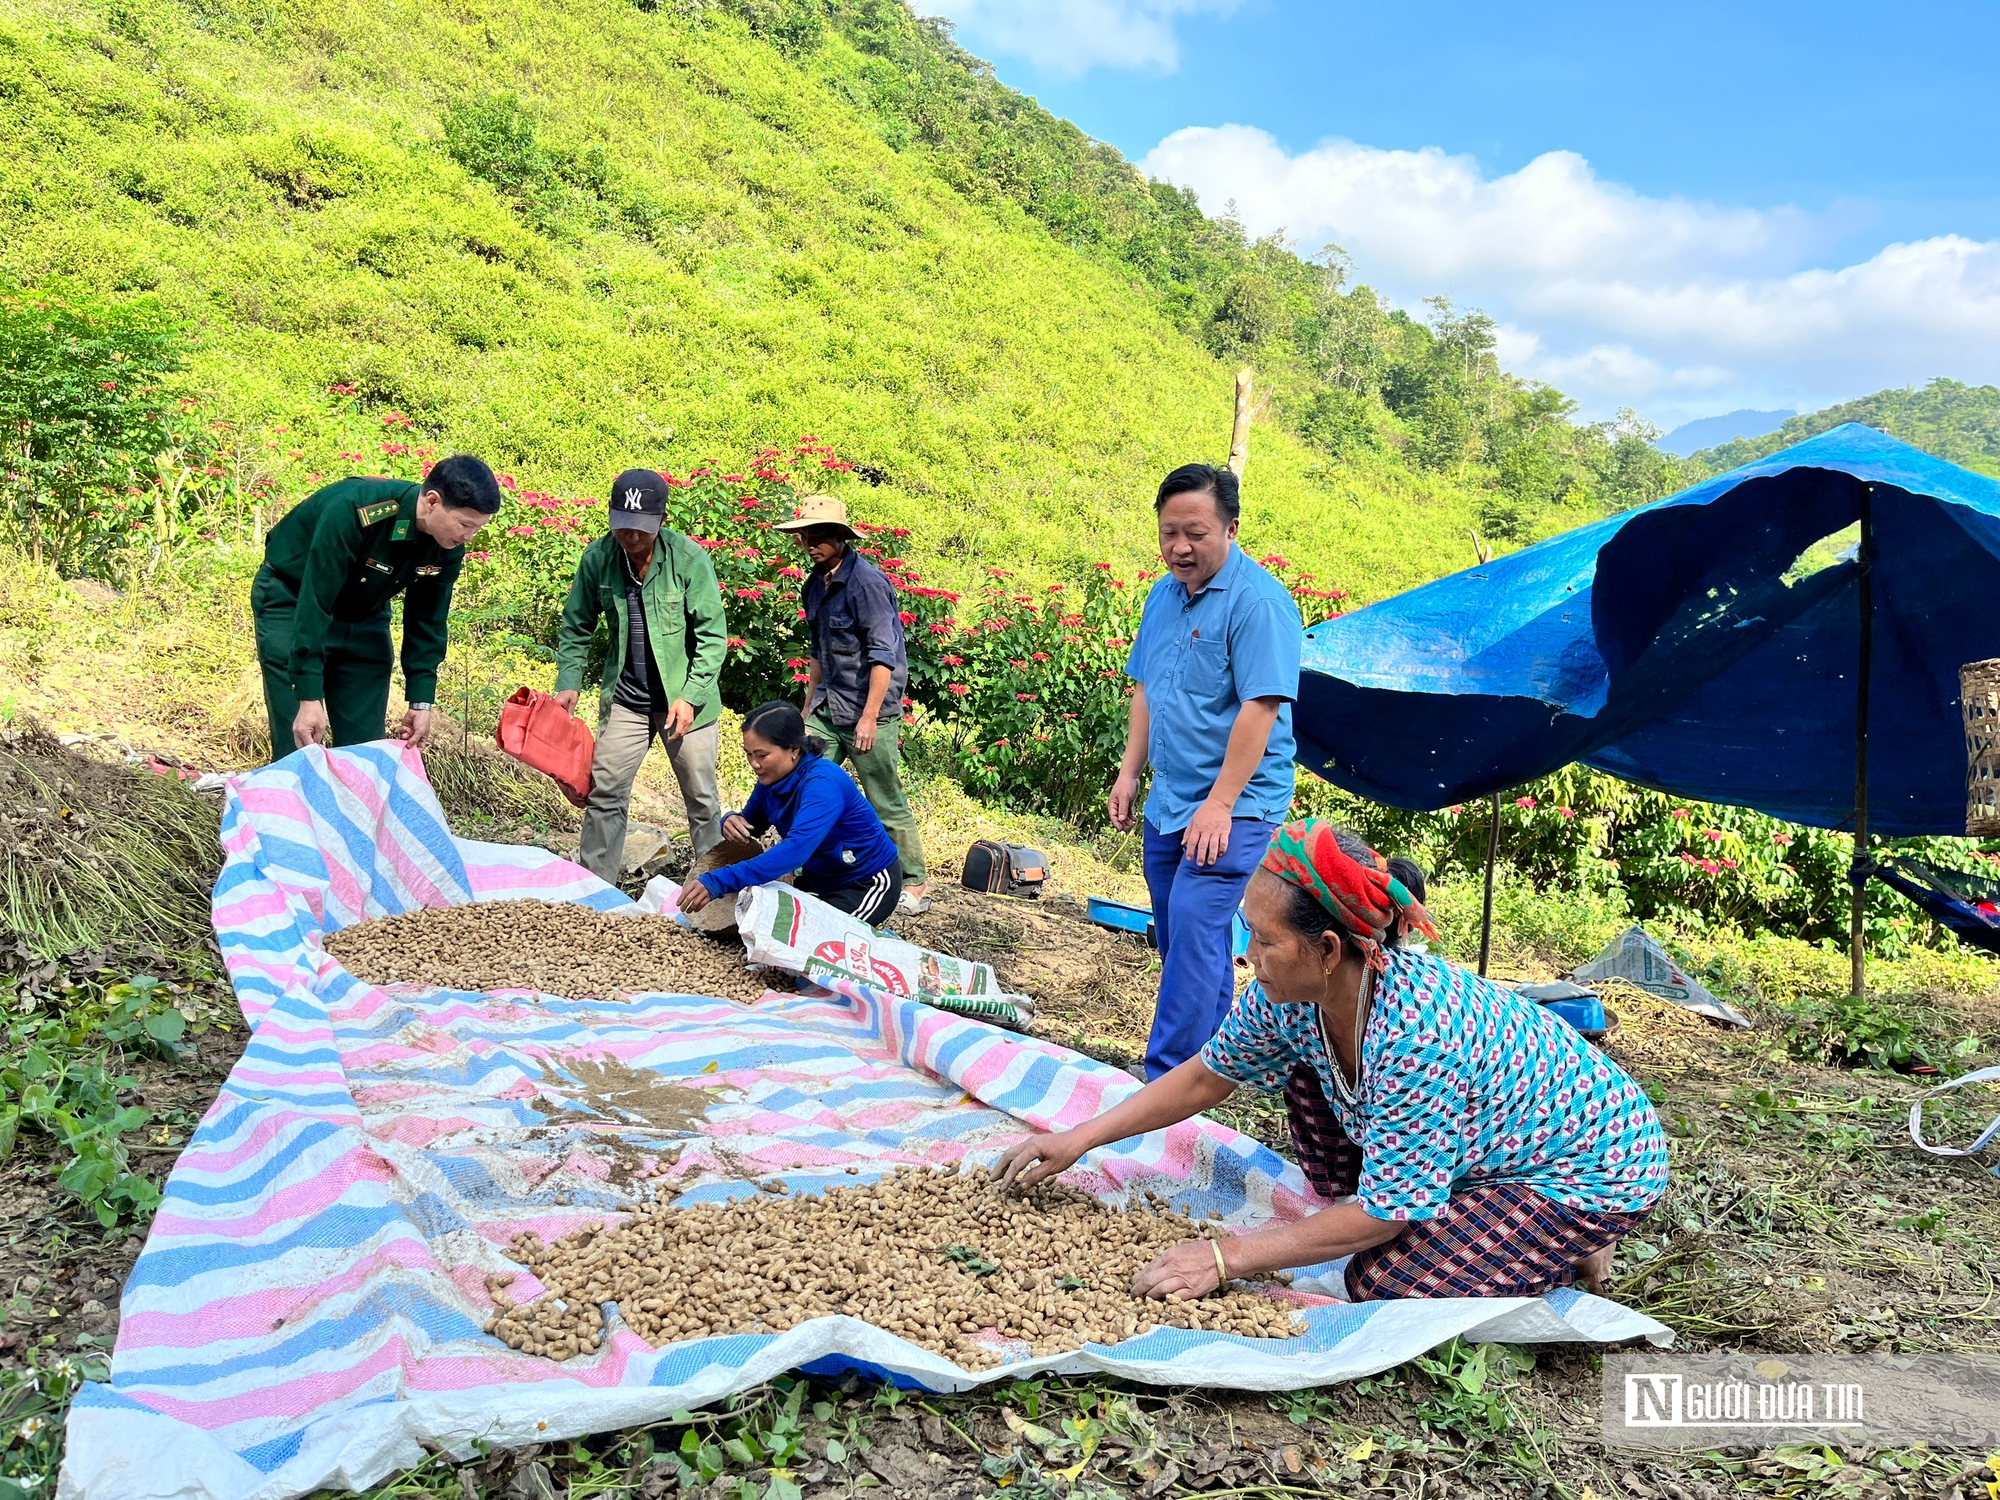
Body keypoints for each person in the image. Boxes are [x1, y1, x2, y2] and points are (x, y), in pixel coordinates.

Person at [998, 820, 1669, 1303]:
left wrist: (1225, 1258)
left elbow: (1387, 1215)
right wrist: (1077, 1138)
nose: (1248, 956)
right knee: (1305, 1075)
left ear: (1326, 950)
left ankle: (1573, 1237)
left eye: (1263, 940)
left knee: (1385, 1280)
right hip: (1488, 1135)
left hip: (1595, 1164)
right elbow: (1208, 1074)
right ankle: (1487, 1210)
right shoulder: (1288, 996)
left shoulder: (1413, 1037)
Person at [1109, 462, 1304, 1079]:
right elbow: (1144, 688)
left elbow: (1262, 707)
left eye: (1195, 532)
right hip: (1171, 798)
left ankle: (1166, 1078)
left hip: (1237, 803)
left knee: (1195, 925)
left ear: (1231, 528)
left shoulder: (1260, 603)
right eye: (1169, 532)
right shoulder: (1162, 597)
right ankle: (1219, 1058)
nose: (1179, 547)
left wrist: (1219, 804)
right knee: (1179, 932)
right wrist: (1128, 771)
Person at [253, 456, 501, 757]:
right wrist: (307, 696)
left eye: (477, 528)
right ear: (432, 502)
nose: (469, 537)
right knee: (299, 742)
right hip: (293, 601)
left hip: (365, 611)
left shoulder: (447, 544)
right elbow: (315, 600)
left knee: (364, 751)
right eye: (465, 524)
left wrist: (421, 701)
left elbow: (428, 621)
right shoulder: (357, 512)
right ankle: (289, 800)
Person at [554, 469, 729, 886]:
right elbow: (576, 624)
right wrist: (569, 680)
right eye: (622, 528)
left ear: (662, 520)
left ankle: (716, 893)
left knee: (702, 800)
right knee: (605, 793)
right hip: (628, 699)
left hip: (685, 701)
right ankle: (595, 890)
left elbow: (712, 635)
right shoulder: (598, 559)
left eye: (641, 530)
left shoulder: (688, 560)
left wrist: (690, 695)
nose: (630, 537)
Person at [775, 495, 930, 914]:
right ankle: (807, 867)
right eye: (805, 536)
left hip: (869, 709)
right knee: (798, 782)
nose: (811, 543)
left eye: (821, 535)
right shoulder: (813, 585)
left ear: (842, 537)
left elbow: (884, 656)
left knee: (883, 795)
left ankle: (913, 881)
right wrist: (807, 708)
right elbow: (817, 651)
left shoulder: (868, 585)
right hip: (829, 704)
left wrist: (869, 718)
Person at [678, 702, 904, 926]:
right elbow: (751, 825)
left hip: (865, 882)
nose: (754, 764)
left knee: (818, 941)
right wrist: (729, 821)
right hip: (819, 881)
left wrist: (719, 881)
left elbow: (796, 850)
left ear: (794, 750)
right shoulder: (771, 780)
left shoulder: (823, 783)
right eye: (748, 754)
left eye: (762, 755)